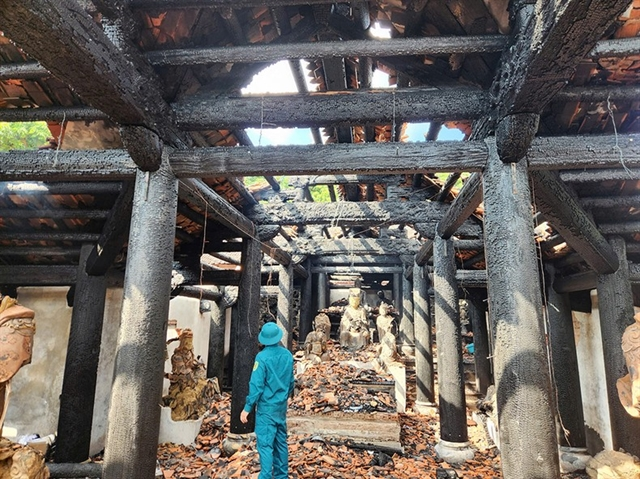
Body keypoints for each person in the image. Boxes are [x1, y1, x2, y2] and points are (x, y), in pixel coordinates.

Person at [240, 322, 294, 479]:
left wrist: (247, 408)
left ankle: (265, 476)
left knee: (265, 445)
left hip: (266, 408)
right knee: (280, 443)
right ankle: (282, 476)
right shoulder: (287, 355)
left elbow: (256, 385)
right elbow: (291, 381)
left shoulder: (261, 358)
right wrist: (286, 396)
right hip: (281, 407)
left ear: (263, 340)